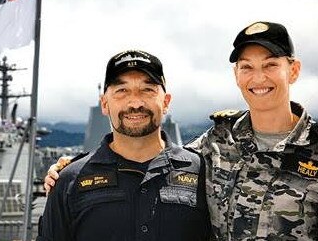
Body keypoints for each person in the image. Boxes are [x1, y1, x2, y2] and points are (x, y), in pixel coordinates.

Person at [44, 22, 318, 240]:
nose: (258, 78)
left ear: (293, 70)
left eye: (270, 65)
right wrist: (68, 170)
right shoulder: (216, 144)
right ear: (236, 75)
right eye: (247, 67)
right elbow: (151, 156)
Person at [36, 50, 211, 241]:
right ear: (104, 104)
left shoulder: (204, 173)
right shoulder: (69, 181)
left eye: (147, 90)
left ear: (166, 102)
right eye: (122, 91)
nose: (135, 102)